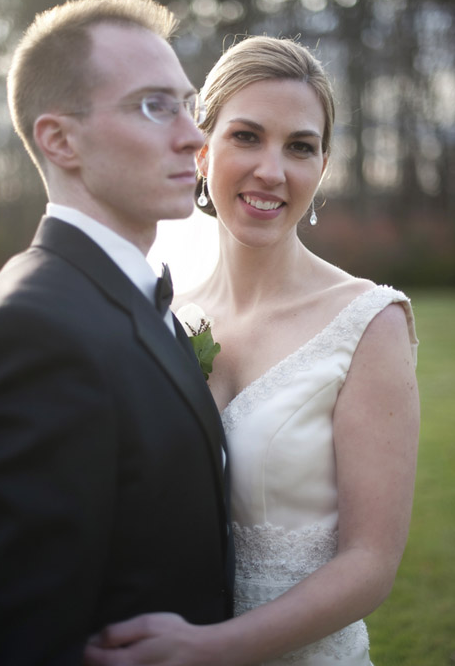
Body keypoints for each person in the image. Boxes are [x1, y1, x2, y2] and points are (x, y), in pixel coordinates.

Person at [83, 36, 420, 665]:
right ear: (203, 149)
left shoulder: (370, 324)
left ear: (322, 166)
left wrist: (212, 648)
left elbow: (371, 563)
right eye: (247, 136)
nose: (273, 170)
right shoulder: (167, 311)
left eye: (300, 146)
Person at [0, 0, 234, 664]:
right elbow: (8, 634)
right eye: (152, 105)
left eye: (188, 104)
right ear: (60, 139)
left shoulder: (120, 295)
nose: (195, 137)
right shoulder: (34, 331)